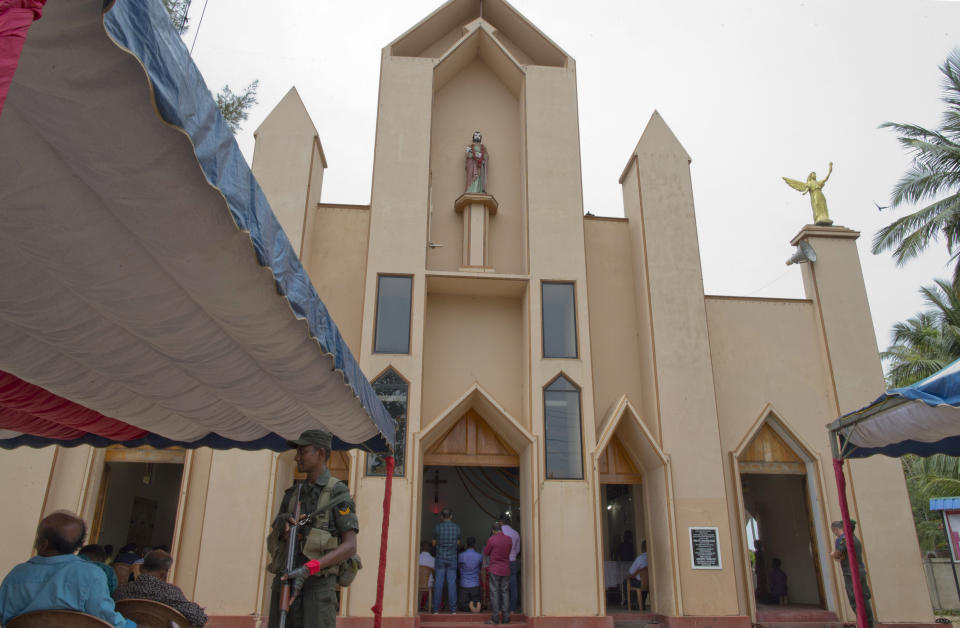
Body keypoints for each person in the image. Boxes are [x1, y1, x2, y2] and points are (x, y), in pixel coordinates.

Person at [266, 429, 358, 628]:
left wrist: (309, 568)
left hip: (317, 589)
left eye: (303, 451)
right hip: (286, 583)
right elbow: (274, 539)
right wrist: (285, 528)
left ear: (321, 454)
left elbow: (350, 546)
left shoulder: (338, 493)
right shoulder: (293, 494)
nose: (297, 457)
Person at [0, 511, 134, 627]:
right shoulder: (92, 575)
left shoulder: (15, 575)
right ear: (79, 545)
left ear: (42, 543)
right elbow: (108, 620)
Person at [114, 549, 207, 627]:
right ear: (164, 574)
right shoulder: (170, 592)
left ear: (141, 568)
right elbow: (199, 618)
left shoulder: (121, 591)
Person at [831, 520, 874, 627]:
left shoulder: (845, 540)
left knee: (855, 599)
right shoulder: (855, 539)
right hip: (859, 571)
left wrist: (833, 554)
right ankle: (867, 623)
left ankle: (864, 623)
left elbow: (838, 554)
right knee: (863, 598)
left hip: (851, 573)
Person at [432, 508, 460, 614]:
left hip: (440, 558)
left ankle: (436, 610)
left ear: (441, 517)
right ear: (451, 516)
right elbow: (458, 543)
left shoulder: (437, 528)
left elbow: (434, 544)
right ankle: (453, 610)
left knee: (438, 583)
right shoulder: (457, 528)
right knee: (452, 583)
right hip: (452, 558)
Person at [484, 522, 512, 625]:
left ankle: (495, 619)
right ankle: (506, 618)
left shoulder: (491, 539)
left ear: (493, 530)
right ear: (502, 529)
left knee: (494, 593)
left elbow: (486, 552)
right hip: (506, 569)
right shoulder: (509, 539)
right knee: (505, 592)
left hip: (495, 569)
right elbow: (508, 552)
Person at [497, 513, 521, 613]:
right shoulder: (516, 533)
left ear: (501, 522)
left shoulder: (498, 532)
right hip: (512, 561)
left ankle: (500, 608)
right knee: (513, 585)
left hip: (501, 562)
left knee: (500, 585)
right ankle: (512, 609)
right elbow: (518, 550)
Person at [459, 537, 483, 614]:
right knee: (476, 604)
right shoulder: (479, 556)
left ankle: (468, 606)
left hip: (464, 585)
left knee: (462, 606)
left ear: (466, 545)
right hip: (475, 584)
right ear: (475, 545)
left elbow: (458, 568)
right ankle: (473, 607)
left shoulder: (461, 555)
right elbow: (480, 568)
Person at [625, 541, 648, 610]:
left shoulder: (639, 558)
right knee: (644, 583)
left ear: (642, 548)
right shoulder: (653, 558)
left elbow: (631, 572)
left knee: (627, 582)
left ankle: (633, 604)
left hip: (640, 583)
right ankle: (642, 603)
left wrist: (628, 577)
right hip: (650, 583)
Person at [418, 542, 435, 611]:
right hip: (428, 584)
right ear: (429, 549)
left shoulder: (416, 557)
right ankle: (431, 605)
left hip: (417, 583)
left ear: (421, 548)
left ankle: (419, 605)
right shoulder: (433, 559)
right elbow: (435, 574)